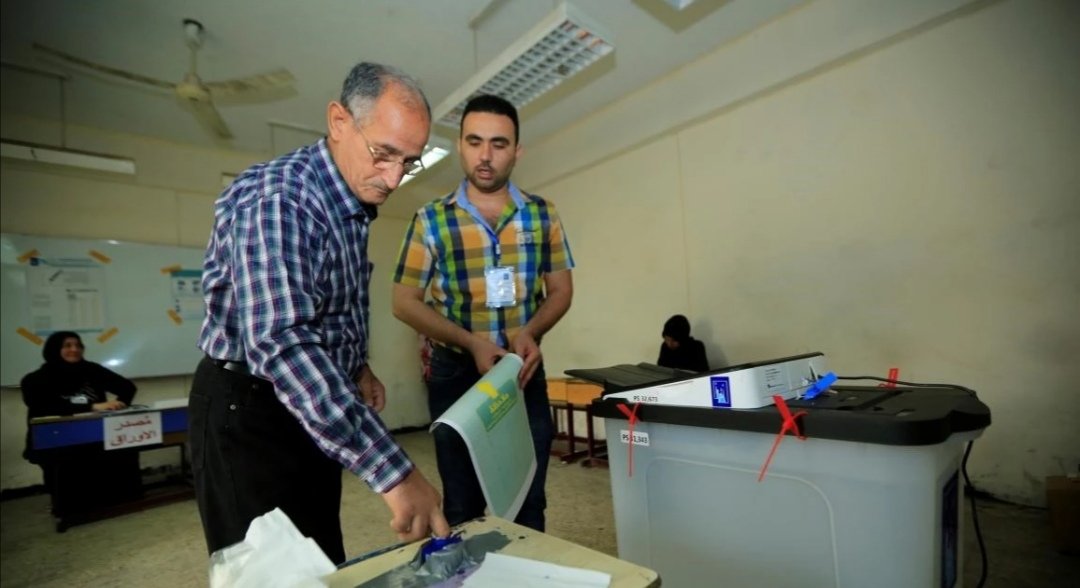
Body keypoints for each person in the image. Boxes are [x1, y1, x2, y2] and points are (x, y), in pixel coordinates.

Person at [191, 61, 449, 565]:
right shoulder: (281, 199)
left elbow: (328, 303)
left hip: (303, 402)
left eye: (409, 162)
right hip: (249, 411)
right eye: (384, 153)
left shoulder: (349, 200)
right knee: (271, 569)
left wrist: (355, 365)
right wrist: (396, 474)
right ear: (338, 122)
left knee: (319, 558)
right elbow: (283, 341)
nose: (394, 177)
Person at [392, 94, 575, 532]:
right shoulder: (430, 219)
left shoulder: (542, 214)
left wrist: (530, 331)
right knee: (463, 503)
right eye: (475, 142)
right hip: (455, 373)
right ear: (460, 145)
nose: (486, 155)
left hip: (521, 372)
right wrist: (471, 343)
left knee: (528, 499)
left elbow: (561, 291)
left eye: (499, 143)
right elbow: (404, 301)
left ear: (517, 150)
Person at [21, 330, 141, 513]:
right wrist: (94, 406)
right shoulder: (35, 380)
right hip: (56, 439)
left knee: (123, 452)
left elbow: (127, 387)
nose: (74, 349)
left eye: (78, 345)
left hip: (95, 434)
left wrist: (120, 404)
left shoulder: (92, 370)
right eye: (67, 346)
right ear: (54, 349)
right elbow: (45, 406)